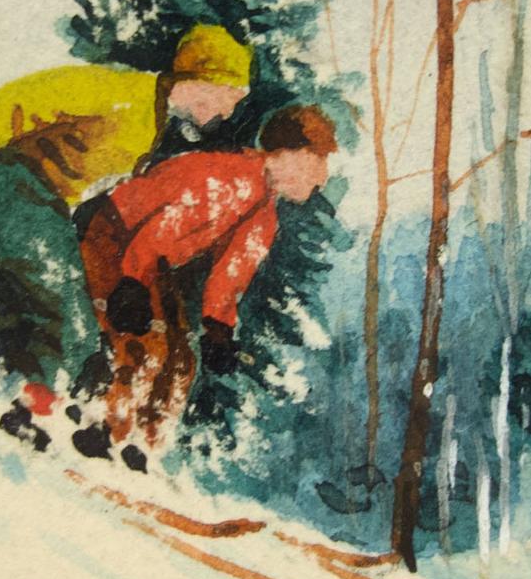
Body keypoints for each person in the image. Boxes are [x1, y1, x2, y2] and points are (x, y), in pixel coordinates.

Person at [0, 24, 252, 385]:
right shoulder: (124, 94)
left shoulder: (155, 125)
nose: (228, 111)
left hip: (27, 207)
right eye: (228, 96)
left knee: (2, 304)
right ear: (200, 79)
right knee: (75, 333)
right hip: (14, 194)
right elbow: (30, 98)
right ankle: (39, 414)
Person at [67, 105, 338, 461]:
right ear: (288, 154)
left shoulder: (265, 213)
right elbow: (160, 229)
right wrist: (132, 283)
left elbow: (230, 275)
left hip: (149, 259)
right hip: (115, 234)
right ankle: (97, 424)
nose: (322, 178)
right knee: (147, 343)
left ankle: (144, 443)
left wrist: (218, 328)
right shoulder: (232, 179)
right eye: (317, 161)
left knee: (182, 360)